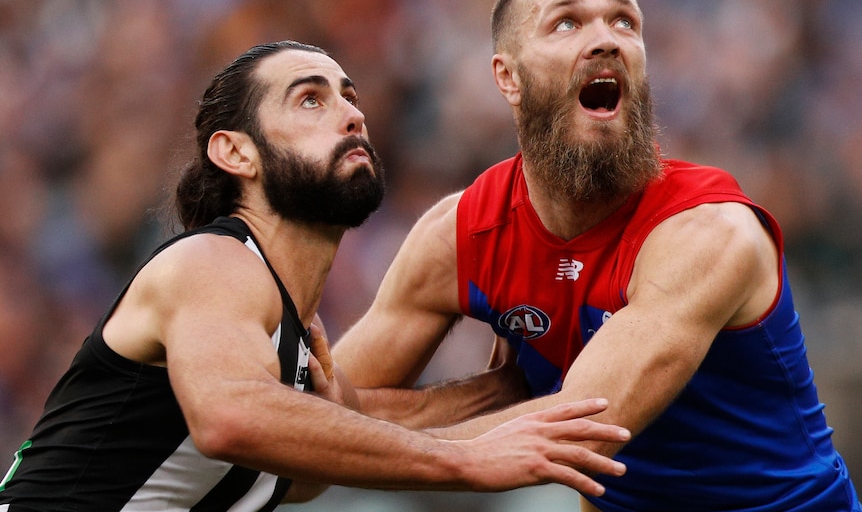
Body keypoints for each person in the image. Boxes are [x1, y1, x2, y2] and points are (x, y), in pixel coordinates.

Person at [0, 40, 632, 511]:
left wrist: (518, 385)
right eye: (310, 99)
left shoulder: (283, 326)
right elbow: (232, 421)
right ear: (235, 152)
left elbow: (317, 457)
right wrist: (464, 459)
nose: (351, 115)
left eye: (348, 97)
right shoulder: (212, 263)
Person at [332, 0, 862, 512]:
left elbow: (581, 428)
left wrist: (330, 438)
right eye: (566, 22)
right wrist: (302, 423)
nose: (606, 39)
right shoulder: (462, 232)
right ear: (507, 77)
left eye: (624, 22)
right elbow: (318, 430)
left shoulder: (708, 230)